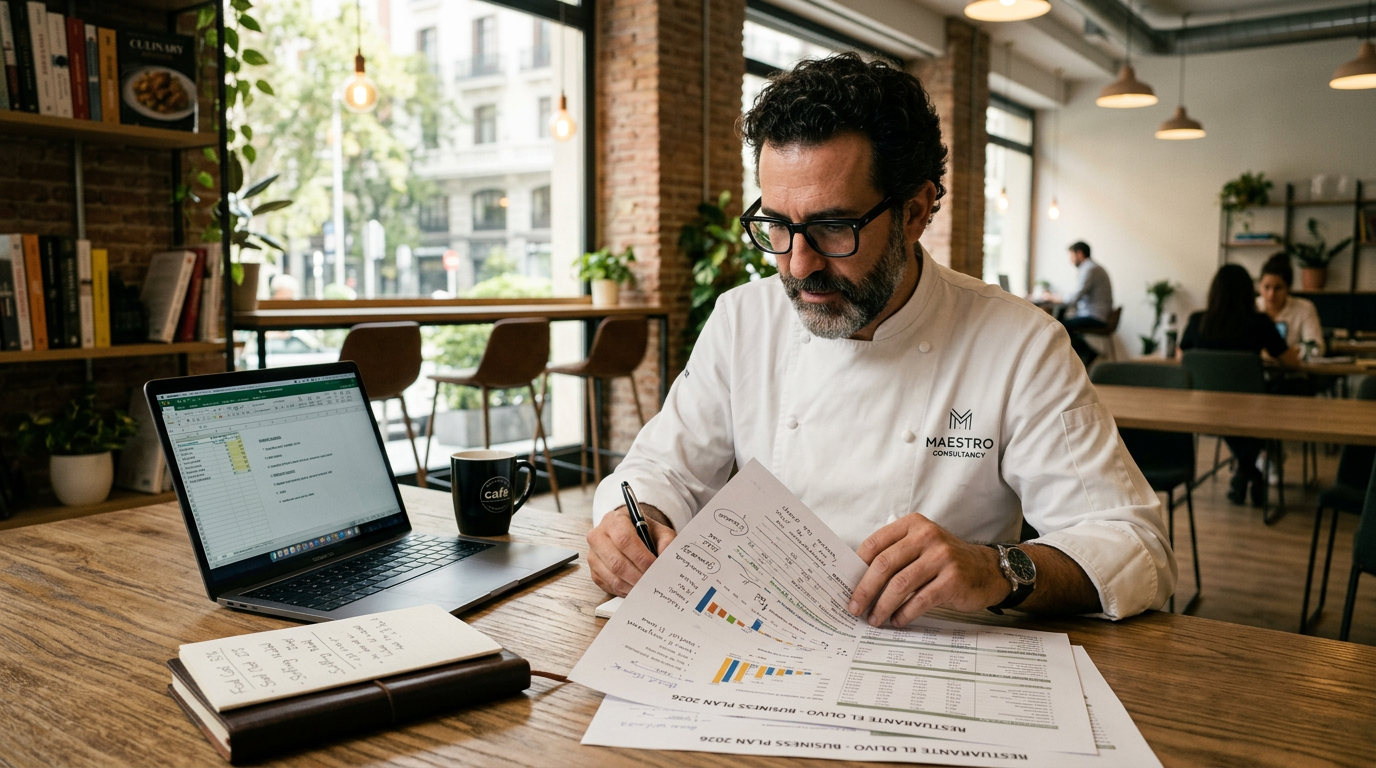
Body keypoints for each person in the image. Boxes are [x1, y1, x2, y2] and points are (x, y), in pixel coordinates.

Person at [584, 54, 1175, 625]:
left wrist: (998, 568)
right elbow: (662, 470)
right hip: (763, 647)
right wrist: (633, 524)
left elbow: (1134, 544)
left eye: (832, 227)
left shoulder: (1021, 345)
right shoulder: (743, 320)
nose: (797, 265)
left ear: (915, 212)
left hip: (939, 664)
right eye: (778, 227)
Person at [1179, 264, 1300, 505]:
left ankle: (1245, 471)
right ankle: (1250, 470)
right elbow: (1290, 362)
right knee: (1277, 399)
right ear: (1249, 292)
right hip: (1251, 409)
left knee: (1231, 412)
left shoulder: (1196, 321)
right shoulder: (1259, 323)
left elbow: (1181, 360)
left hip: (1203, 408)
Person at [1257, 253, 1324, 356]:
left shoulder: (1304, 308)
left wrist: (1287, 353)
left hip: (1293, 369)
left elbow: (1316, 347)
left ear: (1288, 289)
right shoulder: (1252, 306)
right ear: (1259, 287)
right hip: (1257, 370)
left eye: (1278, 288)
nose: (1271, 294)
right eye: (1266, 287)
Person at [1059, 242, 1114, 366]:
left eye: (1072, 256)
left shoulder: (1090, 269)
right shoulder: (1092, 268)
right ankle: (1084, 354)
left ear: (1080, 254)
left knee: (1059, 326)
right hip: (1096, 314)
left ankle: (1088, 353)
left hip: (1095, 316)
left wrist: (1056, 298)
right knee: (1062, 324)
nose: (1070, 260)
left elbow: (1075, 297)